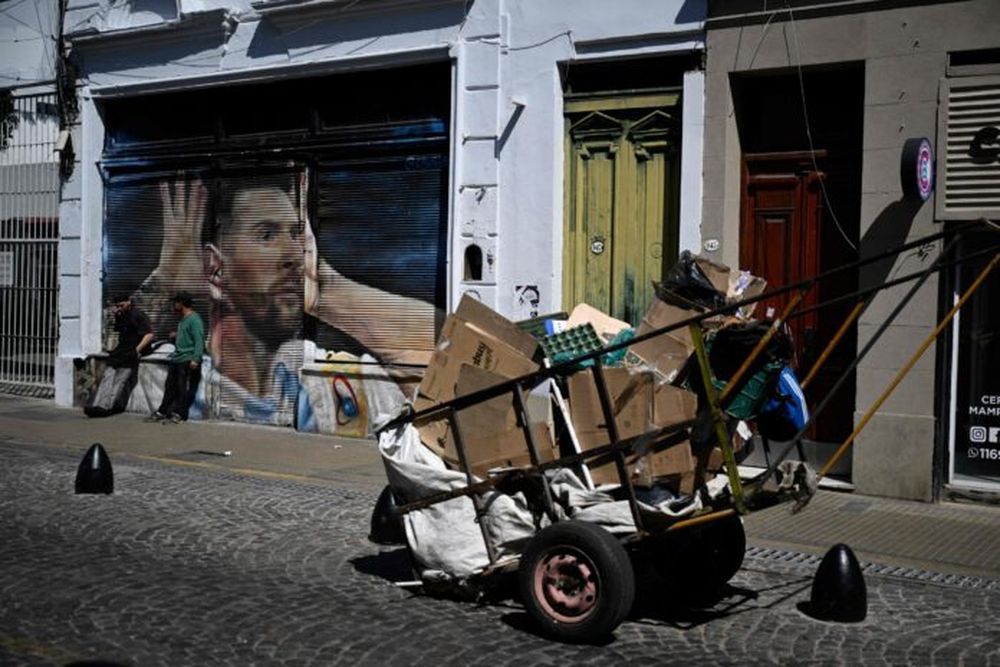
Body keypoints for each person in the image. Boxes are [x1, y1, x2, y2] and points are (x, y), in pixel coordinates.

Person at [133, 174, 435, 426]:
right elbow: (118, 335)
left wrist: (327, 291)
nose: (295, 255)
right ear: (216, 267)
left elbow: (444, 354)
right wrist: (163, 282)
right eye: (266, 235)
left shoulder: (325, 384)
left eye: (295, 234)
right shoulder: (154, 378)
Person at [84, 294, 155, 418]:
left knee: (120, 380)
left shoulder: (138, 315)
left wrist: (137, 350)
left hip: (130, 352)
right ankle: (99, 404)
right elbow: (118, 333)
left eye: (121, 305)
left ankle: (107, 407)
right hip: (120, 351)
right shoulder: (120, 315)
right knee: (108, 376)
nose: (119, 308)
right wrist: (115, 315)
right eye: (117, 306)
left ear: (128, 302)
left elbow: (149, 335)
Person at [146, 292, 204, 423]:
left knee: (182, 389)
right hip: (177, 358)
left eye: (175, 302)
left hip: (187, 359)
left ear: (181, 303)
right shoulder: (183, 319)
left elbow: (199, 340)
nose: (174, 305)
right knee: (170, 387)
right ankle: (163, 411)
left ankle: (180, 414)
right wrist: (176, 335)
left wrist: (195, 359)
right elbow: (188, 335)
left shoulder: (194, 319)